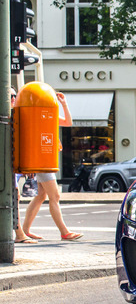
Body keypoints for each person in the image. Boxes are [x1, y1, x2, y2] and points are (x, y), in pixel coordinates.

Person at [21, 90, 83, 241]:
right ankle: (64, 232)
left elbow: (68, 122)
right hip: (44, 161)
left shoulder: (47, 116)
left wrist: (64, 104)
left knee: (41, 196)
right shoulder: (39, 116)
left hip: (46, 160)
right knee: (54, 196)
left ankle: (25, 230)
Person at [10, 87, 37, 244]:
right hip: (8, 165)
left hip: (12, 165)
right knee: (14, 196)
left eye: (15, 95)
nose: (14, 98)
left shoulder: (16, 115)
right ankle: (19, 234)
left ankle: (20, 233)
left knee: (16, 196)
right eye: (11, 96)